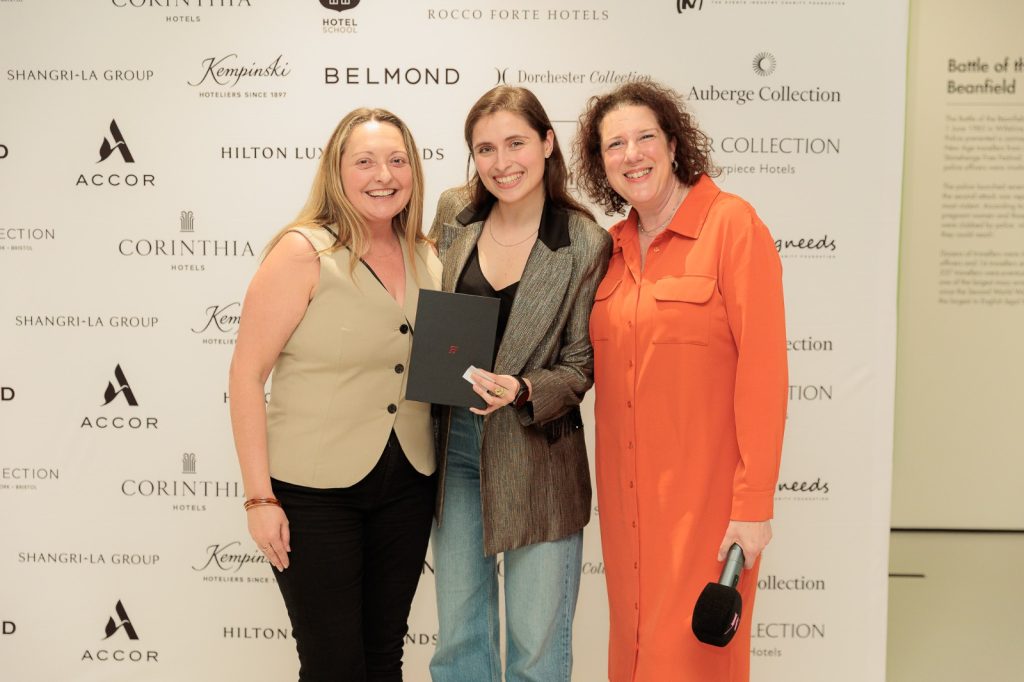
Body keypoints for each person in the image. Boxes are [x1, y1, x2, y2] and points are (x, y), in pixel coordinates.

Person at [573, 81, 788, 681]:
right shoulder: (610, 250)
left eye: (644, 137)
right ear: (601, 163)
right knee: (634, 655)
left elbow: (765, 374)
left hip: (708, 510)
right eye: (614, 144)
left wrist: (753, 505)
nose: (631, 154)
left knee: (695, 661)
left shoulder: (732, 226)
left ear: (673, 144)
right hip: (627, 508)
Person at [228, 108, 441, 682]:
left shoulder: (427, 254)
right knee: (332, 667)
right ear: (336, 171)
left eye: (397, 160)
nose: (384, 175)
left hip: (409, 486)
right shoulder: (303, 252)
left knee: (384, 657)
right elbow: (246, 375)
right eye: (365, 161)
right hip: (314, 495)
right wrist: (259, 499)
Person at [426, 85, 611, 682]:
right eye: (485, 149)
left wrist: (526, 388)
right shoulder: (454, 214)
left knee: (536, 650)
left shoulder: (585, 241)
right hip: (456, 448)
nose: (501, 163)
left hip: (541, 456)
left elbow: (581, 364)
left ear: (547, 143)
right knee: (459, 641)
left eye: (516, 144)